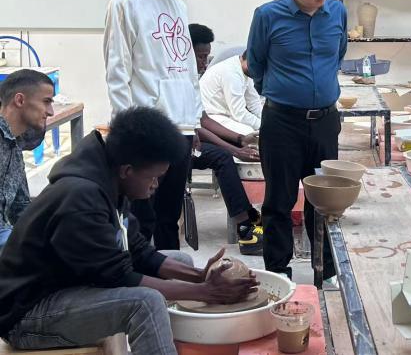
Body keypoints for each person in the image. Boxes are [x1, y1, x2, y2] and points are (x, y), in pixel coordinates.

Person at [0, 107, 257, 355]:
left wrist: (199, 276)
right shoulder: (81, 199)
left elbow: (139, 252)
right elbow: (118, 276)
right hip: (27, 316)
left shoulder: (109, 177)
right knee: (145, 303)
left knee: (181, 260)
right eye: (153, 177)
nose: (155, 185)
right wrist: (204, 291)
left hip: (66, 285)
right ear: (127, 171)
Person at [247, 0, 347, 281]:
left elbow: (338, 55)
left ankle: (326, 271)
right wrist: (286, 93)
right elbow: (256, 65)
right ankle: (278, 273)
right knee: (279, 200)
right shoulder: (267, 16)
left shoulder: (337, 12)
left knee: (324, 199)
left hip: (325, 122)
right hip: (282, 123)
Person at [103, 0, 202, 250]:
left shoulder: (178, 6)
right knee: (142, 217)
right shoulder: (125, 3)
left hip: (181, 127)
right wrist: (126, 130)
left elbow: (188, 67)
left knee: (169, 216)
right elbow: (117, 71)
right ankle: (139, 277)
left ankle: (171, 277)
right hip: (147, 130)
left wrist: (194, 120)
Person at [188, 24, 263, 255]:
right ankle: (246, 225)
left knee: (230, 149)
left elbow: (203, 121)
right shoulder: (175, 79)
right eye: (200, 57)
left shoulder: (192, 79)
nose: (205, 63)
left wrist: (240, 140)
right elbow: (199, 127)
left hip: (193, 138)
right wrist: (235, 149)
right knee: (223, 155)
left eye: (206, 57)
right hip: (174, 145)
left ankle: (249, 218)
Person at [0, 70, 54, 249]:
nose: (51, 112)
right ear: (20, 100)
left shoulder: (14, 146)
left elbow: (21, 209)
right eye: (46, 102)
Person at [200, 49, 263, 135]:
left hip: (227, 115)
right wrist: (264, 126)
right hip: (211, 116)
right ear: (248, 60)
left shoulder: (247, 70)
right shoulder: (232, 73)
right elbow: (239, 113)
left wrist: (267, 122)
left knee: (259, 130)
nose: (257, 72)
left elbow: (254, 103)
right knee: (251, 133)